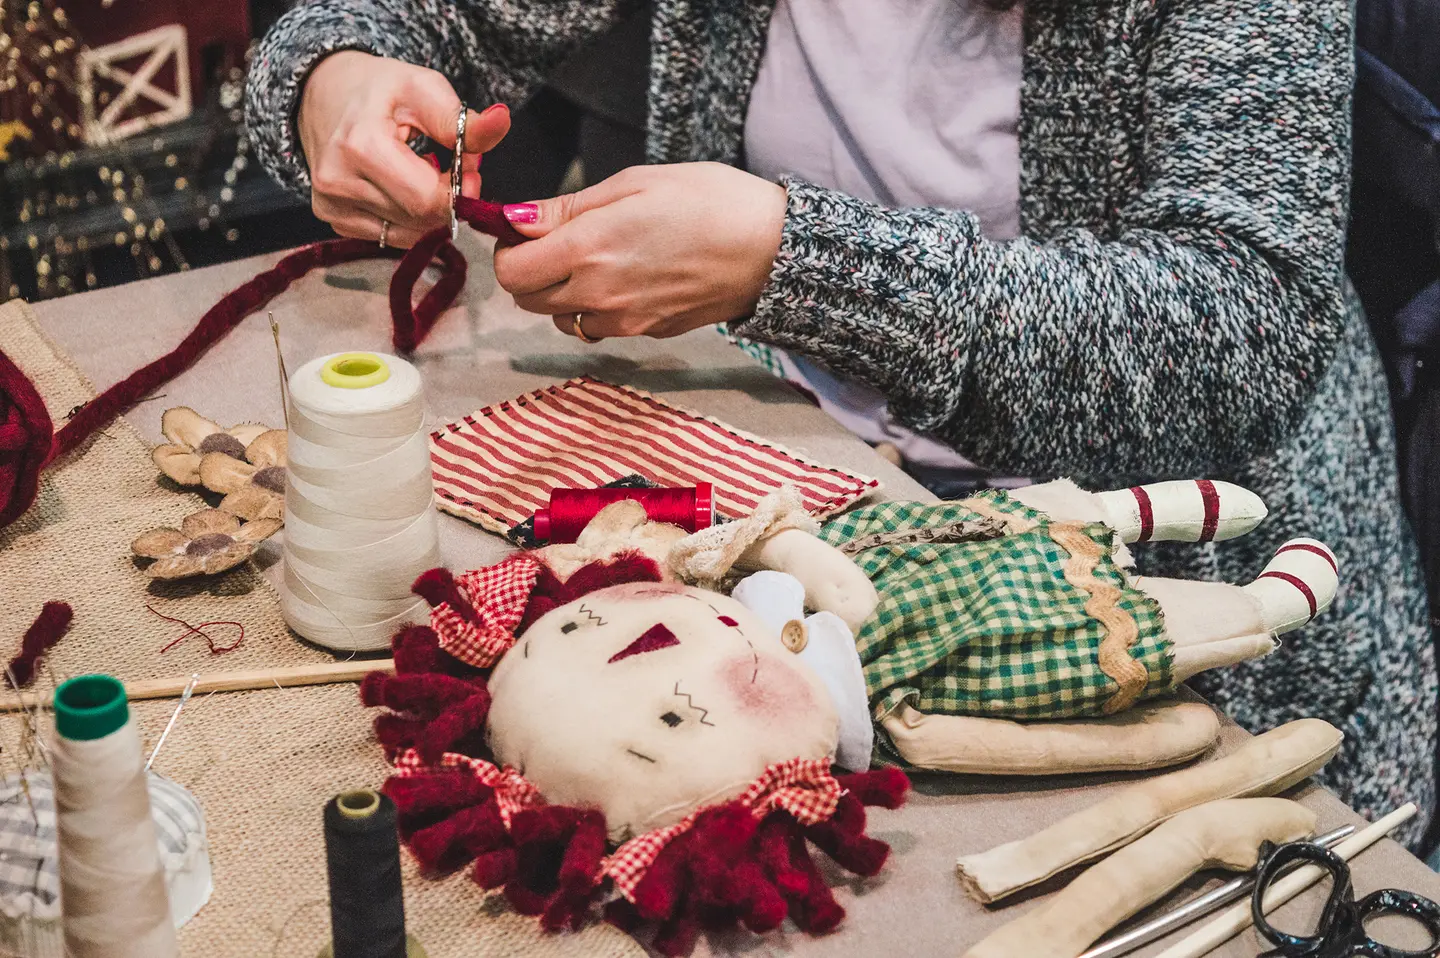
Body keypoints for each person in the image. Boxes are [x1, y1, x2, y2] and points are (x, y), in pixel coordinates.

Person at [245, 0, 1439, 849]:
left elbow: (1241, 327)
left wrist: (791, 261)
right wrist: (338, 75)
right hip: (798, 500)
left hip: (1184, 586)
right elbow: (423, 20)